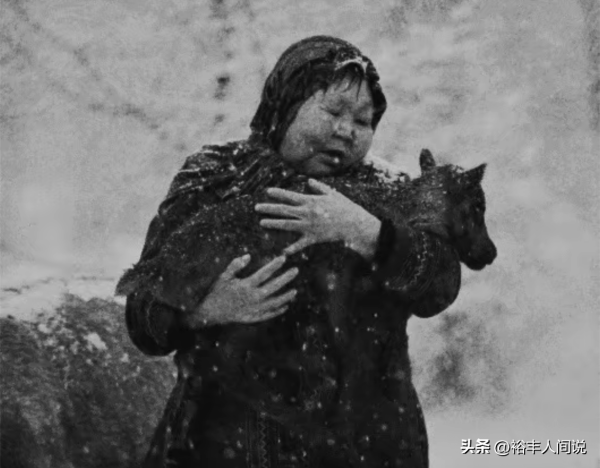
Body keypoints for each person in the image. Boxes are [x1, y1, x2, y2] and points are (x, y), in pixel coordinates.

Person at [119, 36, 462, 468]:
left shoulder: (391, 192)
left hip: (364, 449)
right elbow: (142, 318)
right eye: (333, 111)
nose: (346, 130)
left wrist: (370, 232)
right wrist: (202, 311)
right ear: (285, 103)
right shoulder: (216, 178)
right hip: (225, 446)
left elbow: (441, 286)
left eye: (363, 120)